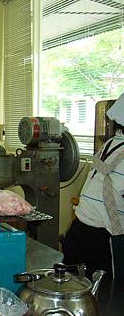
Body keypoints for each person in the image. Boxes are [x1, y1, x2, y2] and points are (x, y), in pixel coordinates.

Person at [63, 93, 124, 280]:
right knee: (108, 296)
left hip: (79, 229)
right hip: (103, 239)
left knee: (75, 289)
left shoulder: (110, 144)